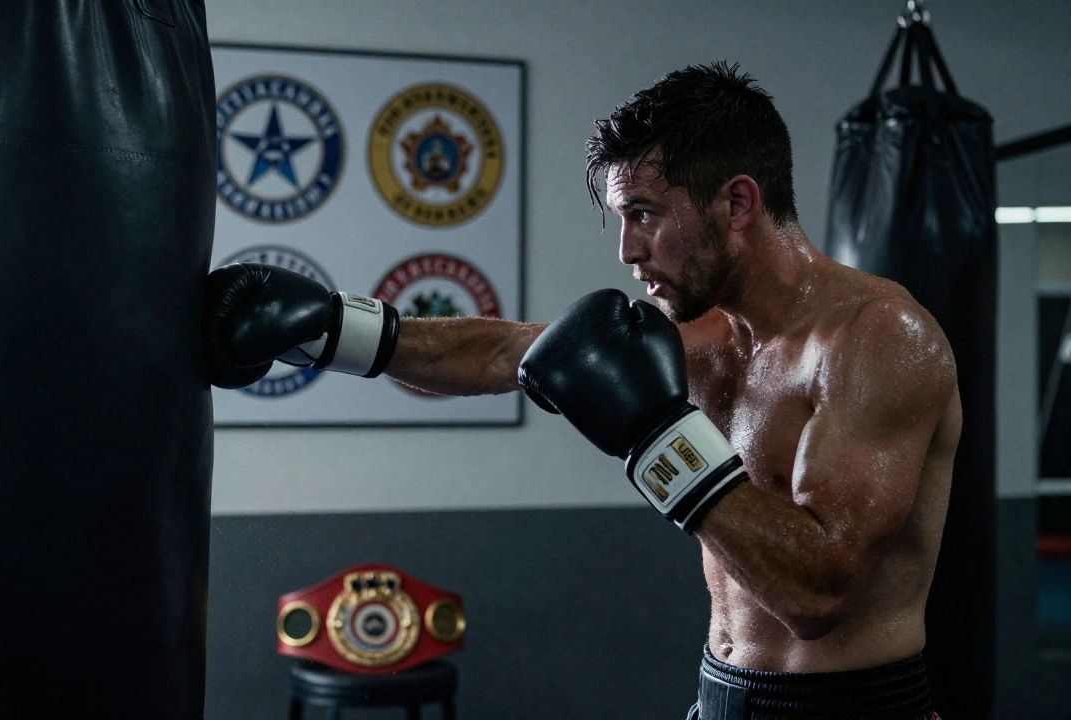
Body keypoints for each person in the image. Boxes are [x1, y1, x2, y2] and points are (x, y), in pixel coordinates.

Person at [203, 62, 959, 720]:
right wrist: (330, 331)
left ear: (736, 203)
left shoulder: (878, 339)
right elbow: (506, 352)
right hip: (720, 692)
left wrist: (660, 440)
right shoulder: (706, 333)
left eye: (644, 215)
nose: (627, 250)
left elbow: (816, 599)